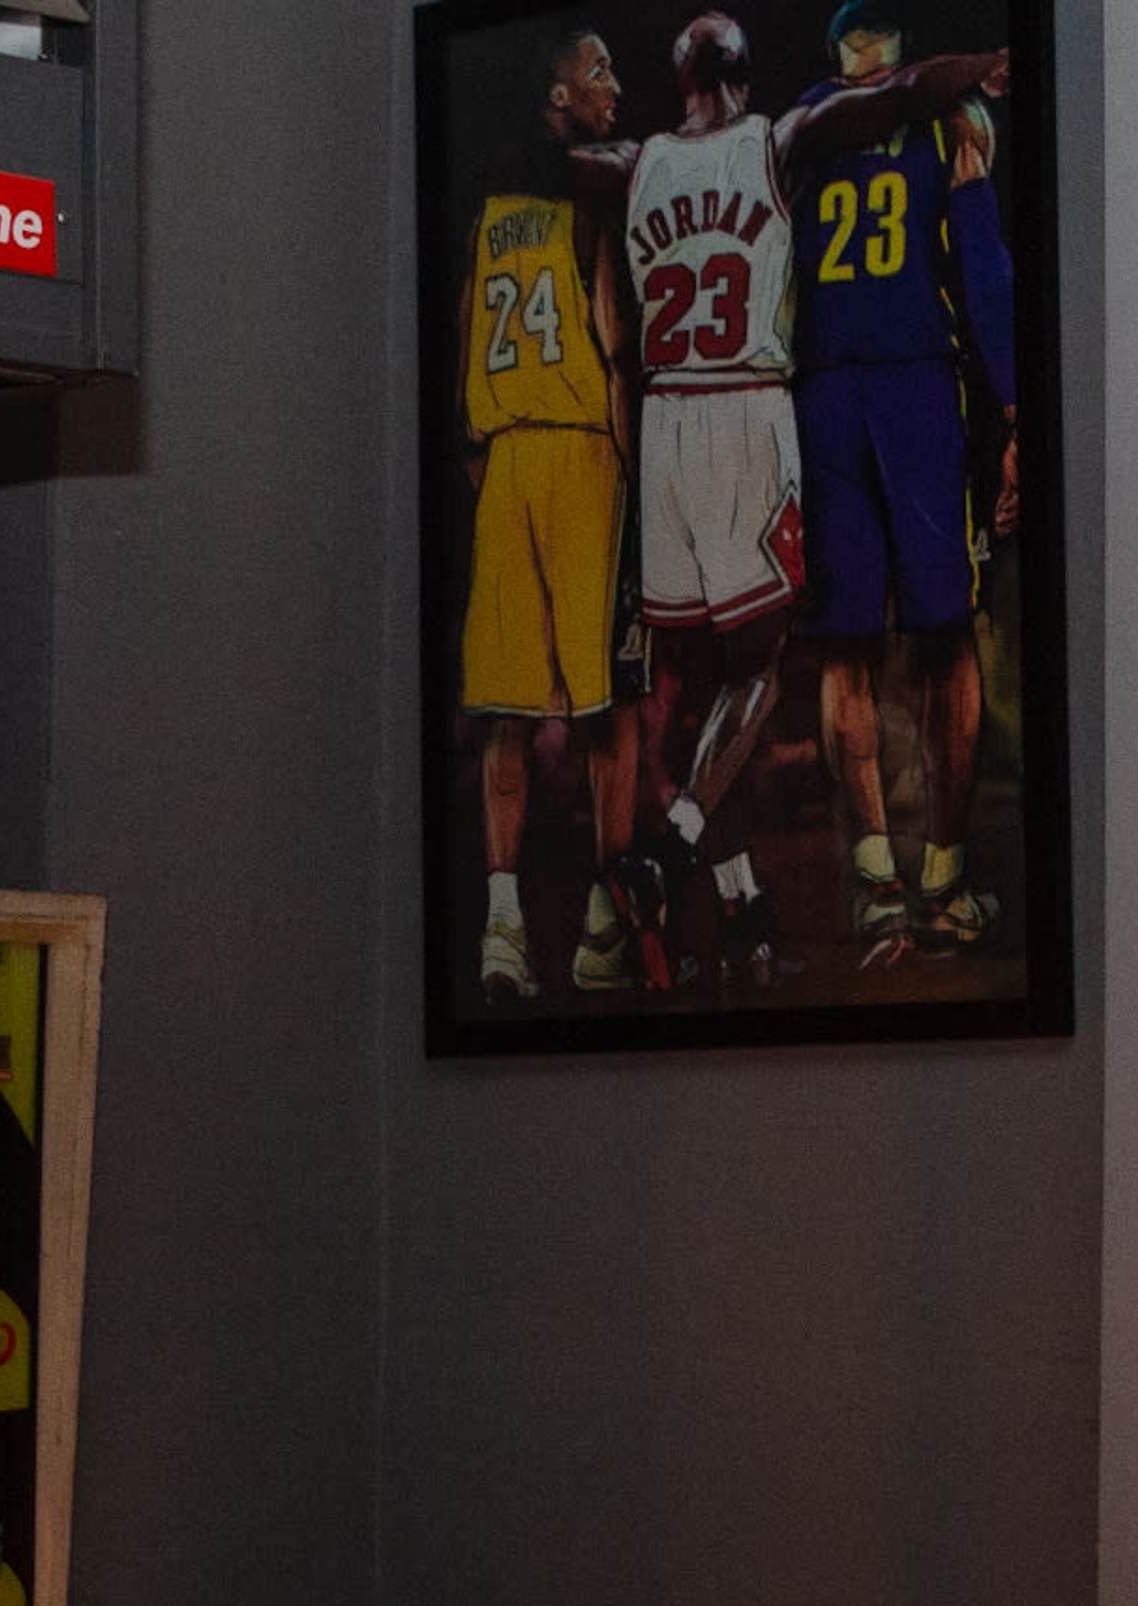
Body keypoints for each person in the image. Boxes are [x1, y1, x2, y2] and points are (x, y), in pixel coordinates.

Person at [567, 13, 1009, 989]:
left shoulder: (643, 161)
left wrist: (559, 125)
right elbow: (920, 142)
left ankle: (794, 891)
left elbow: (605, 305)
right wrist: (977, 69)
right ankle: (900, 875)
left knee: (705, 680)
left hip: (701, 414)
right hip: (786, 402)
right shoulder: (792, 136)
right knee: (810, 659)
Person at [789, 3, 1021, 962]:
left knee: (852, 645)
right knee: (943, 637)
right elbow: (984, 263)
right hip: (915, 388)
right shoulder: (944, 114)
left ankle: (883, 880)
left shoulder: (802, 122)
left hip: (828, 392)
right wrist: (1011, 413)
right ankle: (938, 880)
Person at [459, 31, 652, 999]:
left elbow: (464, 337)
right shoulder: (587, 208)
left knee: (504, 712)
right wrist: (630, 470)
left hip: (501, 457)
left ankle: (501, 928)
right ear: (558, 92)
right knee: (606, 711)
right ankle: (601, 925)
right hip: (580, 455)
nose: (615, 87)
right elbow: (615, 346)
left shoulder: (487, 212)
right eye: (600, 71)